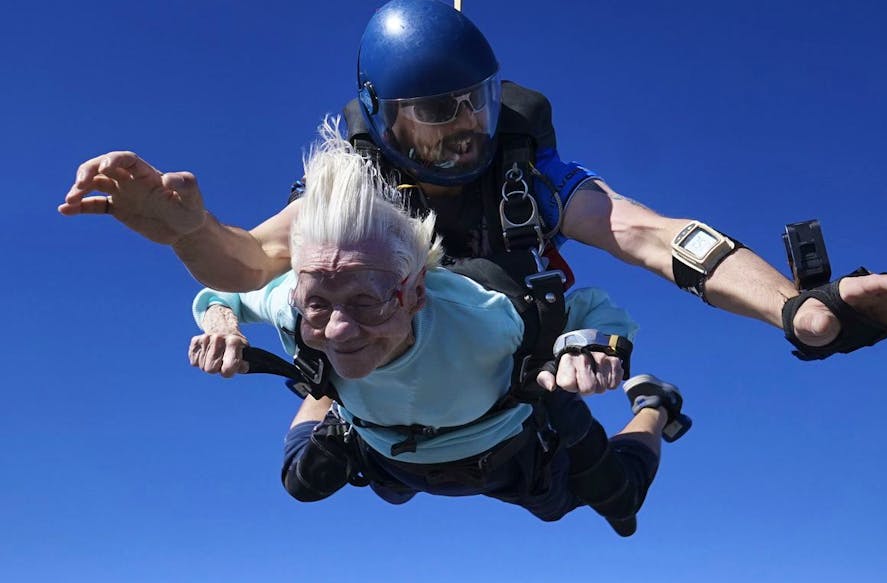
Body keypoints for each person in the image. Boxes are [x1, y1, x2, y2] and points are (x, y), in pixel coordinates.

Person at [59, 0, 887, 369]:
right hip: (384, 370)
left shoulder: (525, 171)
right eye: (437, 112)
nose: (466, 129)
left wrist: (803, 311)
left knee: (571, 458)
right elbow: (251, 259)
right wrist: (185, 228)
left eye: (478, 102)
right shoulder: (355, 179)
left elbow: (654, 235)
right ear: (383, 117)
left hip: (521, 380)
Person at [189, 134, 687, 536]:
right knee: (302, 481)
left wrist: (593, 345)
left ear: (415, 294)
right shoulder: (296, 300)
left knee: (621, 504)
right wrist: (222, 325)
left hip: (506, 448)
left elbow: (593, 308)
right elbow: (223, 292)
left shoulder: (484, 317)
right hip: (384, 449)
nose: (339, 324)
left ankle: (653, 404)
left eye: (367, 302)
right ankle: (330, 390)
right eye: (319, 302)